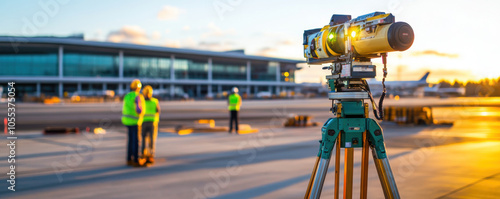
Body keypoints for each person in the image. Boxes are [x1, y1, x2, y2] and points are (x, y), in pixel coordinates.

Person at [122, 79, 146, 167]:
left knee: (130, 140)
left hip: (126, 120)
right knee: (135, 141)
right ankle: (136, 160)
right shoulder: (138, 96)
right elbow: (139, 109)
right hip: (134, 121)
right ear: (138, 88)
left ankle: (129, 159)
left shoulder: (127, 96)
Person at [141, 85, 160, 165]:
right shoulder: (155, 101)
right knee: (151, 139)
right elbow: (158, 111)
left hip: (143, 122)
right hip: (152, 122)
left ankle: (143, 154)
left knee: (143, 139)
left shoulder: (142, 101)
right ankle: (151, 154)